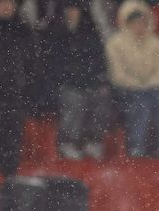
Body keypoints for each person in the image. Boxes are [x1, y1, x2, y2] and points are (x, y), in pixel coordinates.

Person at [105, 0, 159, 158]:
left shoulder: (156, 43)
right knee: (140, 103)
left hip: (152, 88)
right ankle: (136, 145)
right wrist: (137, 85)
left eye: (142, 22)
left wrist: (148, 84)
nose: (139, 27)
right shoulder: (115, 43)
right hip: (125, 89)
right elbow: (117, 74)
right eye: (135, 23)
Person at [44, 0, 110, 161]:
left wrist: (97, 80)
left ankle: (93, 140)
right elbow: (52, 66)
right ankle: (69, 142)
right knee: (74, 100)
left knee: (101, 97)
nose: (72, 14)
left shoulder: (91, 35)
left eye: (75, 10)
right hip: (65, 84)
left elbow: (99, 62)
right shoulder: (55, 35)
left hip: (89, 82)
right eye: (68, 10)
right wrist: (70, 79)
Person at [0, 0, 36, 177]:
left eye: (11, 3)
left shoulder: (23, 31)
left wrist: (24, 86)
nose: (7, 6)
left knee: (9, 147)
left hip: (13, 97)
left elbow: (32, 64)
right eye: (3, 2)